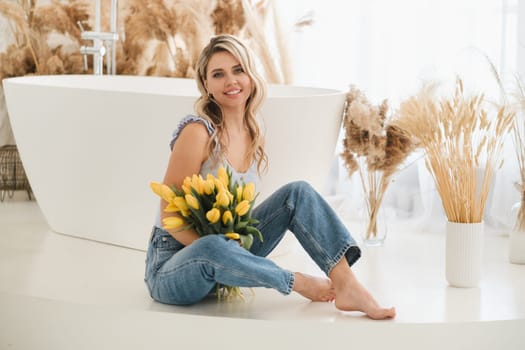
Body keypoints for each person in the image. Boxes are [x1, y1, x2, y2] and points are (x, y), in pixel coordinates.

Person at [144, 34, 396, 320]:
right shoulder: (197, 133)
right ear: (206, 86)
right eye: (218, 74)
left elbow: (235, 221)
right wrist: (223, 249)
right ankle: (297, 282)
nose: (231, 81)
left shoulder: (253, 135)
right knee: (213, 246)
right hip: (171, 269)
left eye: (238, 70)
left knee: (297, 193)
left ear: (251, 75)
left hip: (226, 260)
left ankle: (347, 284)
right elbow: (169, 218)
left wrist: (232, 250)